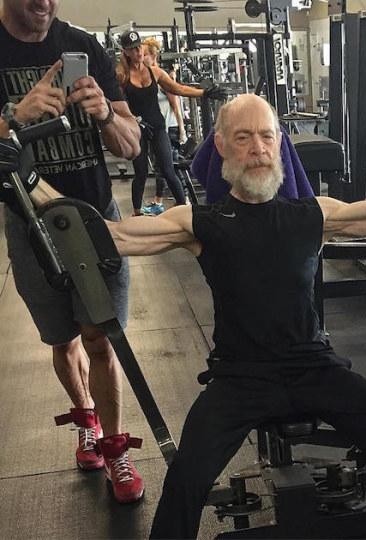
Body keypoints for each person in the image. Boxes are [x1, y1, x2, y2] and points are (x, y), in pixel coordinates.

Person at [0, 94, 366, 537]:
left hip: (315, 368)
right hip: (239, 378)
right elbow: (106, 235)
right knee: (186, 480)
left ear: (279, 145)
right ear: (221, 148)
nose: (258, 148)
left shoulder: (312, 213)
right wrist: (27, 181)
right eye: (243, 138)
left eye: (267, 137)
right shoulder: (200, 222)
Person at [0, 0, 145, 504]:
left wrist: (104, 114)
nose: (43, 3)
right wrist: (12, 118)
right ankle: (86, 416)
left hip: (93, 219)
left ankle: (114, 447)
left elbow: (131, 146)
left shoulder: (83, 47)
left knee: (100, 338)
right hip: (30, 226)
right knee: (62, 340)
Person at [116, 30, 226, 216]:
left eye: (139, 47)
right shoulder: (122, 76)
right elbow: (117, 104)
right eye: (133, 49)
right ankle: (136, 213)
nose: (138, 52)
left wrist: (204, 93)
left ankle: (184, 209)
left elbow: (178, 89)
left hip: (158, 126)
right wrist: (134, 120)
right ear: (126, 52)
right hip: (137, 129)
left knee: (168, 170)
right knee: (141, 173)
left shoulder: (154, 72)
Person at [143, 37, 187, 215]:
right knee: (161, 167)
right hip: (160, 129)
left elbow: (176, 105)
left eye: (145, 55)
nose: (141, 58)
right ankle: (160, 201)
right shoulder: (148, 78)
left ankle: (183, 202)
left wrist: (182, 130)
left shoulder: (162, 77)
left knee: (170, 167)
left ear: (153, 57)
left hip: (171, 128)